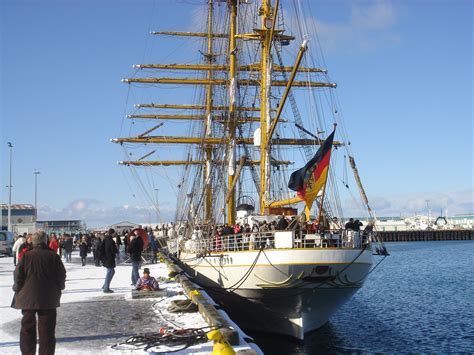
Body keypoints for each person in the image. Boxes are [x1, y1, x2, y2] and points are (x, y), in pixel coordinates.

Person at [12, 230, 66, 355]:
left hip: (27, 297)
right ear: (45, 241)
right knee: (47, 330)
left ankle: (27, 352)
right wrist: (59, 287)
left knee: (27, 328)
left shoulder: (26, 256)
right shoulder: (53, 256)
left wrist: (17, 287)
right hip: (48, 298)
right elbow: (61, 274)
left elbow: (18, 275)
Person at [101, 229, 118, 293]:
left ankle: (105, 285)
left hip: (106, 258)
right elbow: (113, 250)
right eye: (114, 233)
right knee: (109, 272)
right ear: (112, 233)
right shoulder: (110, 241)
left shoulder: (105, 239)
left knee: (112, 271)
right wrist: (116, 249)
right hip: (109, 258)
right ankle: (106, 288)